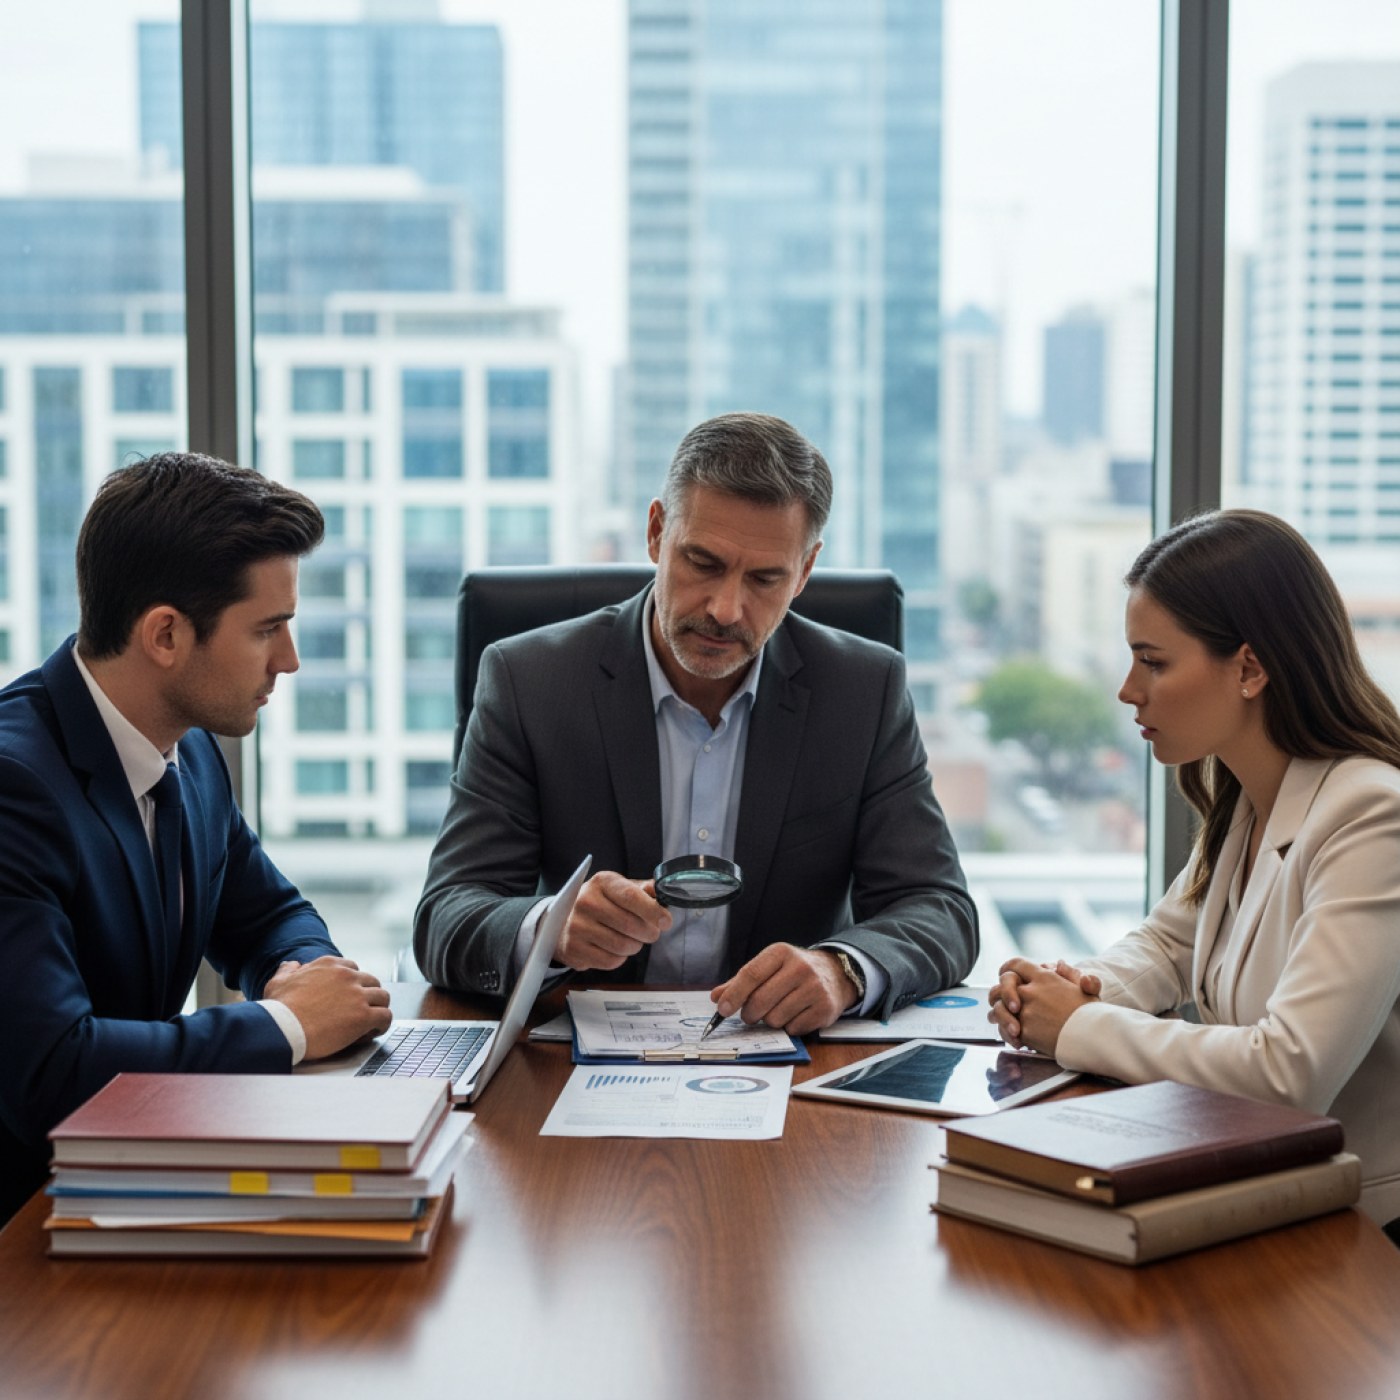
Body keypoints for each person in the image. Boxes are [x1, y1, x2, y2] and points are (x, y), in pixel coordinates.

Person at [415, 412, 977, 1033]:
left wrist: (840, 970)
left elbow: (940, 908)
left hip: (788, 1062)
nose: (726, 608)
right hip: (573, 1057)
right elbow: (447, 913)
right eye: (703, 562)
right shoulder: (530, 682)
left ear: (806, 571)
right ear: (657, 532)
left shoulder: (863, 691)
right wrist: (551, 927)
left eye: (766, 578)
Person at [0, 452, 392, 1222]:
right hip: (27, 1232)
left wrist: (308, 976)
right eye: (268, 630)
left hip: (131, 1179)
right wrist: (286, 1025)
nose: (290, 660)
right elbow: (50, 1070)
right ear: (167, 635)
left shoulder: (189, 747)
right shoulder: (15, 788)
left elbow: (267, 914)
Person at [988, 509, 1400, 1225]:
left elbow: (1287, 1076)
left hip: (1358, 1239)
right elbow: (1166, 944)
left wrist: (1079, 1025)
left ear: (1249, 667)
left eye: (1153, 662)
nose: (1127, 689)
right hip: (1262, 1191)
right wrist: (1071, 991)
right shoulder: (1250, 794)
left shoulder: (1372, 817)